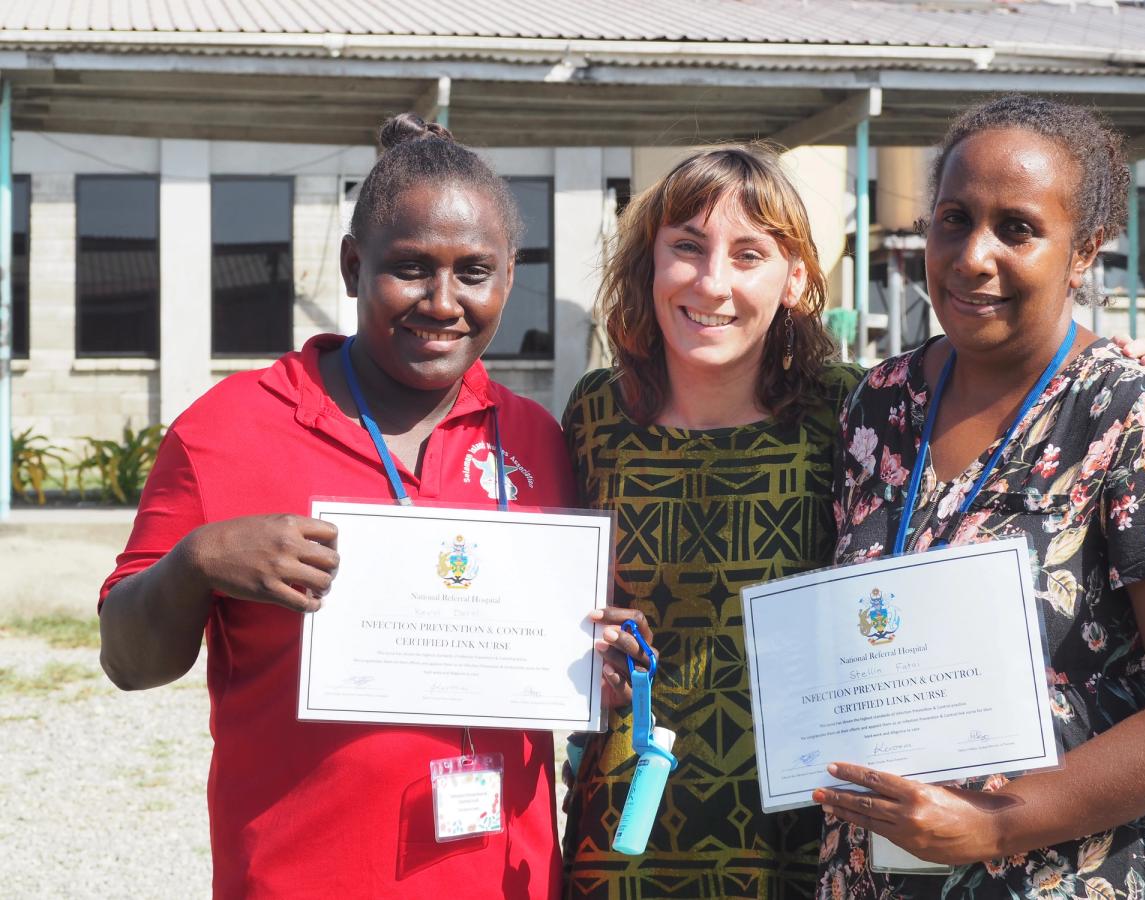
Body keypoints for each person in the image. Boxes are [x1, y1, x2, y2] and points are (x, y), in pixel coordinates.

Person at [97, 114, 577, 898]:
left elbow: (556, 652)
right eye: (411, 268)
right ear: (354, 267)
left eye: (474, 272)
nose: (443, 301)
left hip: (503, 880)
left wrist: (601, 664)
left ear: (509, 277)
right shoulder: (226, 430)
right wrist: (197, 563)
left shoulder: (538, 441)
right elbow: (128, 662)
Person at [814, 95, 1145, 900]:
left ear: (1084, 248)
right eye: (953, 219)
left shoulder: (1135, 419)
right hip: (877, 875)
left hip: (1064, 877)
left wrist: (996, 823)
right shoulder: (878, 405)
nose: (971, 256)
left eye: (1017, 228)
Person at [560, 144, 864, 898]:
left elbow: (996, 435)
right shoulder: (596, 414)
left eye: (749, 254)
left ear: (794, 279)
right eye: (686, 249)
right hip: (627, 826)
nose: (712, 282)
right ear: (649, 265)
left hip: (804, 829)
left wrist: (1105, 368)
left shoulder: (851, 410)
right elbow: (565, 598)